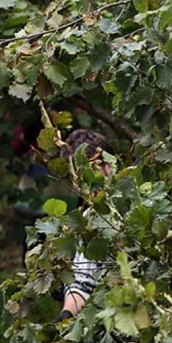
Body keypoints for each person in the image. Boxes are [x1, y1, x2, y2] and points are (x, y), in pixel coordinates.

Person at [55, 129, 114, 321]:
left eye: (90, 170)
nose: (81, 183)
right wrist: (65, 316)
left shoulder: (142, 200)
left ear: (108, 166)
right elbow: (81, 282)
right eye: (75, 177)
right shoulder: (86, 221)